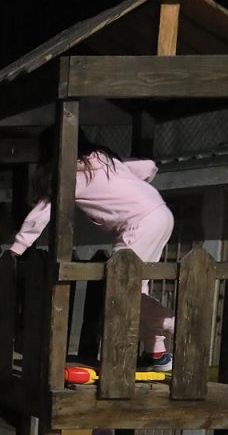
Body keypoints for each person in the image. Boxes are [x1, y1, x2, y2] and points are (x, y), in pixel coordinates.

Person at [9, 134, 176, 369]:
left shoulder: (68, 176)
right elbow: (148, 166)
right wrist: (133, 186)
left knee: (120, 290)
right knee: (136, 287)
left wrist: (16, 250)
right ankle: (156, 353)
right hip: (161, 213)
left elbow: (42, 213)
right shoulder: (106, 161)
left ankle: (172, 322)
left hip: (138, 224)